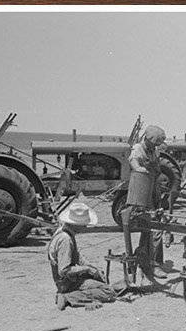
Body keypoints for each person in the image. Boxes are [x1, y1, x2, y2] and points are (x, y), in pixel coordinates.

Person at [47, 201, 122, 310]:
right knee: (108, 292)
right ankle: (68, 297)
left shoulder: (65, 232)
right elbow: (64, 270)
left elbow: (78, 258)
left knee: (98, 279)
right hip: (66, 282)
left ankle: (75, 294)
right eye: (84, 224)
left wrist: (93, 268)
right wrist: (86, 269)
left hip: (70, 279)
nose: (86, 227)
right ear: (77, 225)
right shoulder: (65, 240)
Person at [126, 124, 167, 276]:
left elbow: (157, 168)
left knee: (156, 223)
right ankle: (153, 264)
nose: (156, 146)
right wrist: (139, 168)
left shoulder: (154, 151)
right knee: (152, 225)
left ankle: (151, 260)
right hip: (142, 191)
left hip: (154, 189)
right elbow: (133, 161)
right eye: (155, 143)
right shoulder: (138, 149)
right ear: (148, 140)